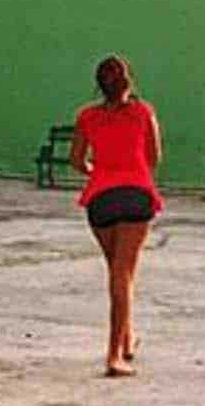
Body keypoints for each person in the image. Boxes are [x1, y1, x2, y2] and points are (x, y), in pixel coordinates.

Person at [70, 55, 163, 377]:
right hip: (136, 194)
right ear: (128, 81)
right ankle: (113, 355)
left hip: (101, 197)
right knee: (123, 274)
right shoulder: (143, 112)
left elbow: (77, 161)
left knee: (117, 273)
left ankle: (126, 340)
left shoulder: (87, 116)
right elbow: (153, 157)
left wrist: (99, 172)